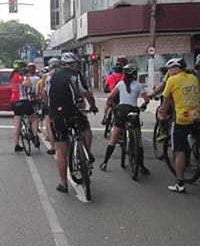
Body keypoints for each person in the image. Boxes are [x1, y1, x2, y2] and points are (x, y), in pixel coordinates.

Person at [48, 52, 98, 193]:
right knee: (86, 127)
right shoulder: (75, 76)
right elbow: (87, 94)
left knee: (60, 151)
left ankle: (63, 184)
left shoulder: (51, 76)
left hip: (56, 115)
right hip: (72, 112)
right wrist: (93, 106)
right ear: (74, 64)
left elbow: (45, 94)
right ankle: (87, 153)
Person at [158, 57, 200, 193]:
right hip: (197, 115)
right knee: (196, 140)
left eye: (170, 69)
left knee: (179, 152)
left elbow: (165, 102)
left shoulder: (172, 80)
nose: (169, 72)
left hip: (182, 118)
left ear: (176, 69)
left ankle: (180, 183)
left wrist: (162, 115)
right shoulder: (193, 77)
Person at [100, 64, 151, 173]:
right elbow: (146, 100)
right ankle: (141, 166)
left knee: (113, 139)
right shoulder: (138, 85)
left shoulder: (120, 84)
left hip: (122, 110)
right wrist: (143, 106)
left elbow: (110, 97)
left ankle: (105, 162)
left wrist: (112, 105)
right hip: (133, 111)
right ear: (134, 75)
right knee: (138, 140)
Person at [38, 57, 60, 155]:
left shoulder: (47, 76)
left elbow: (43, 92)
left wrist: (46, 102)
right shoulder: (65, 74)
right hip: (66, 104)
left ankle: (52, 146)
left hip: (52, 104)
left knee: (49, 124)